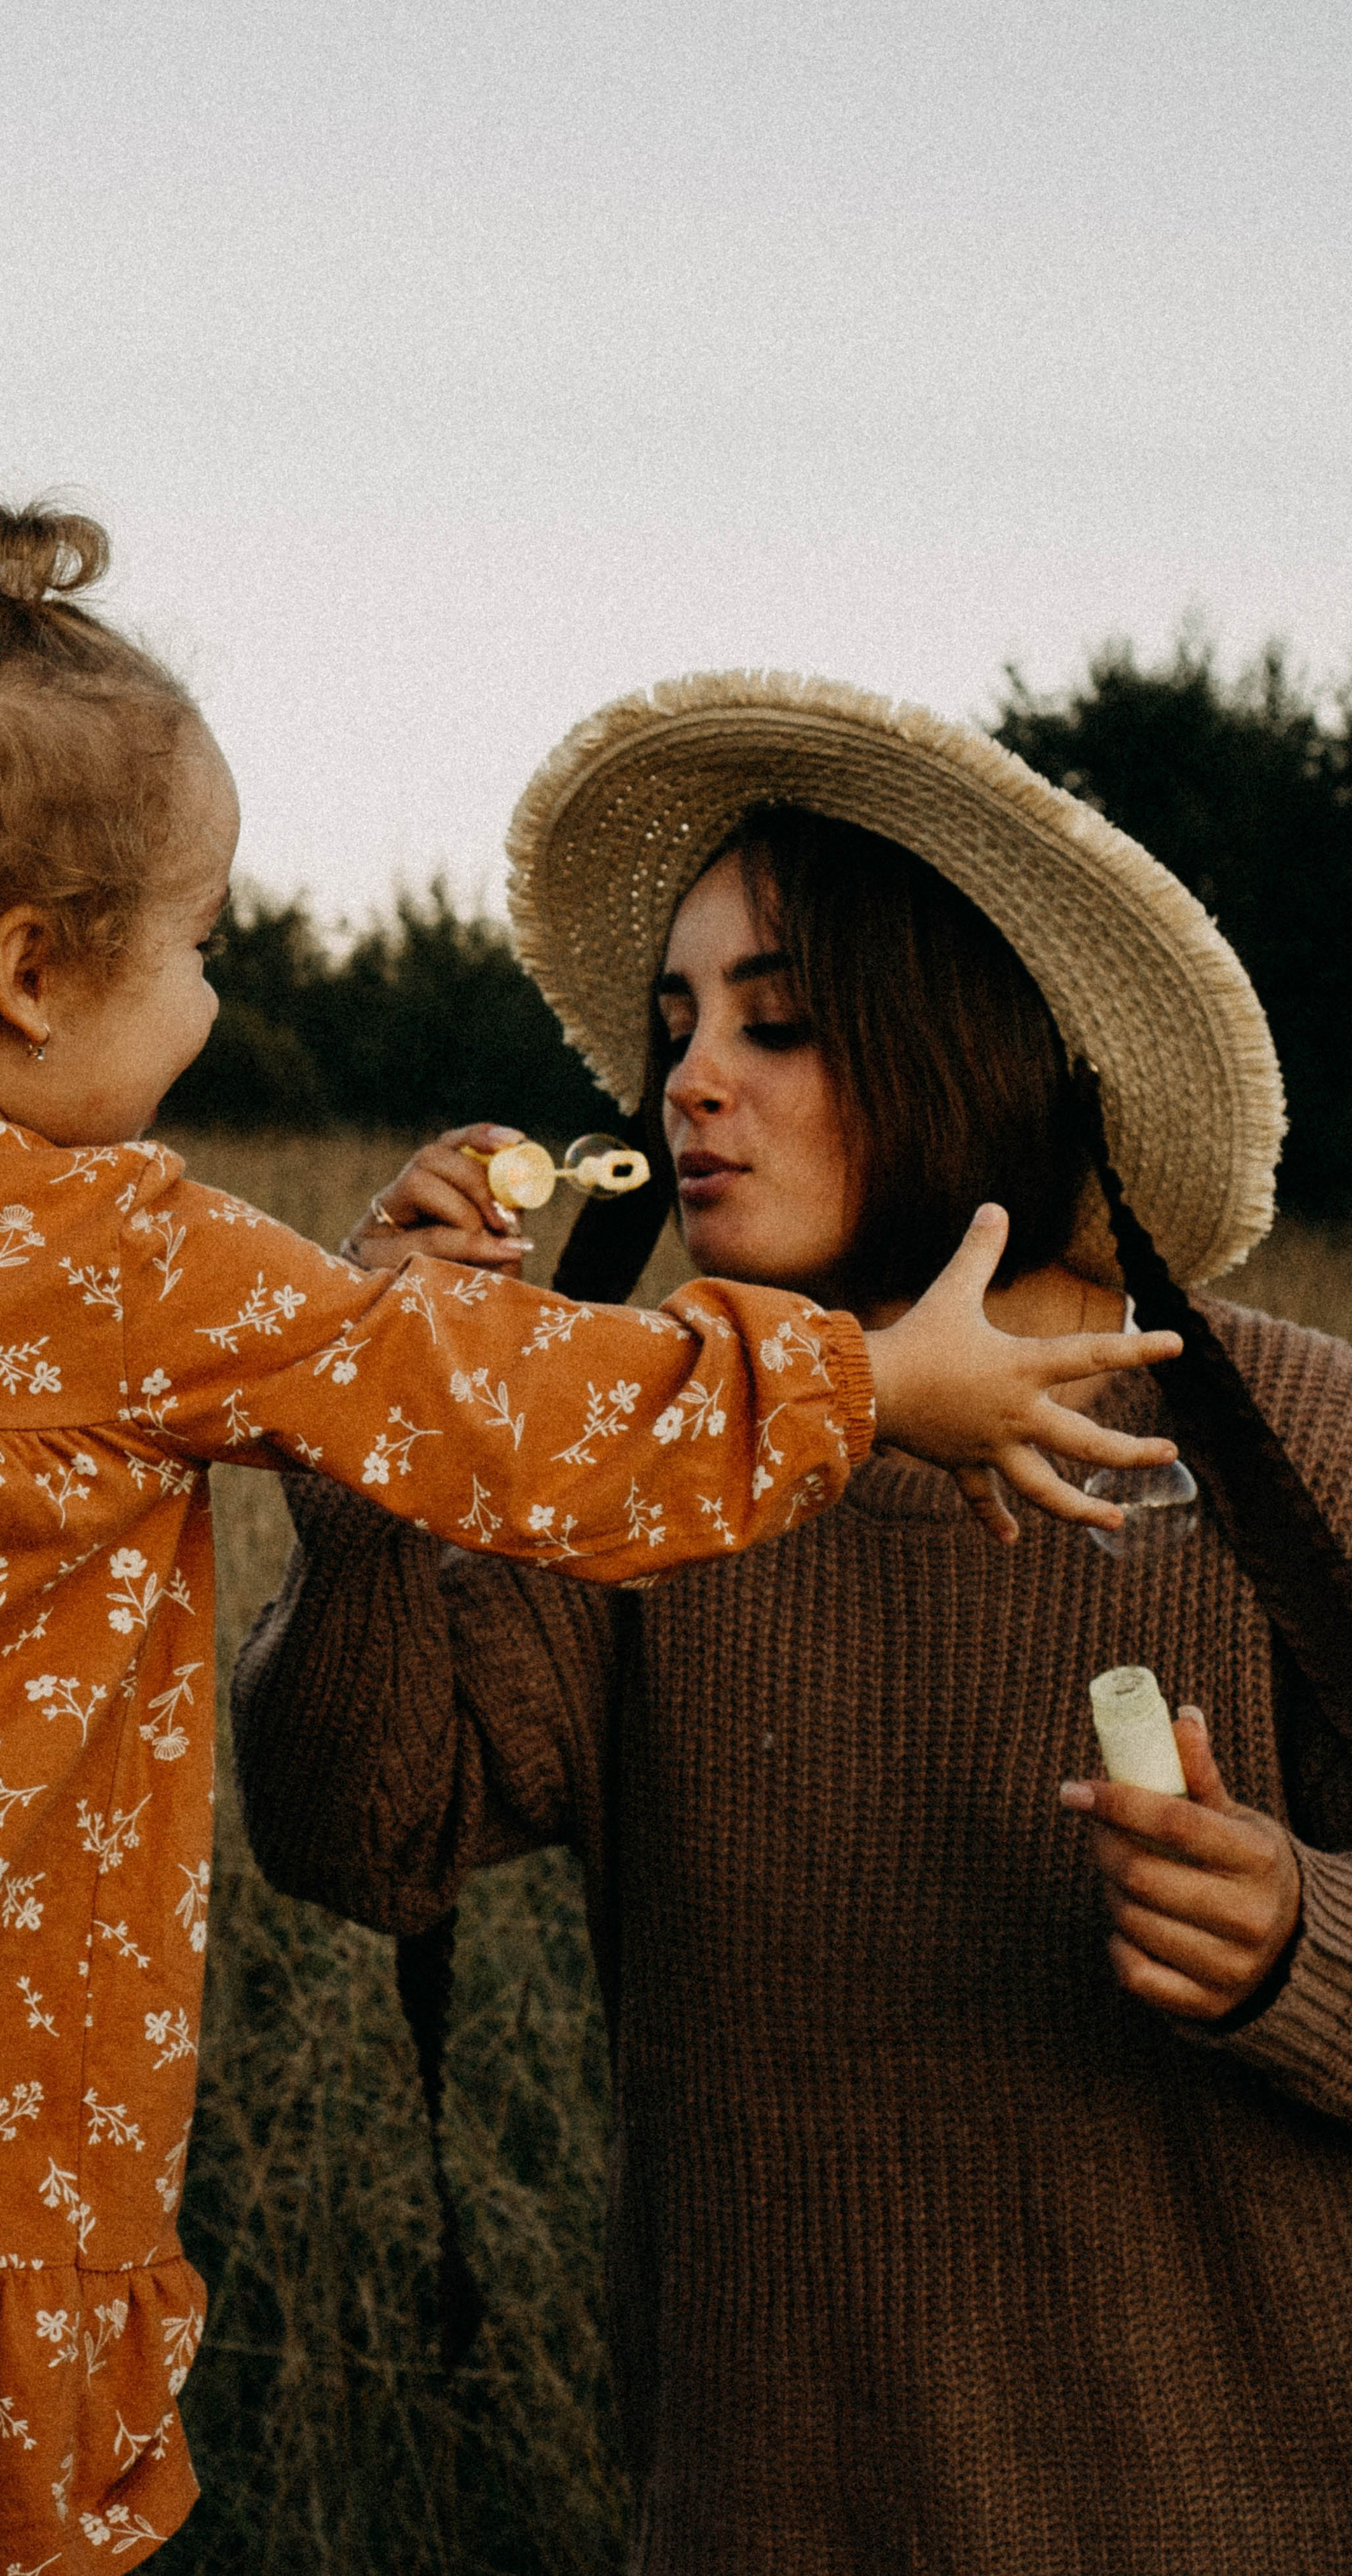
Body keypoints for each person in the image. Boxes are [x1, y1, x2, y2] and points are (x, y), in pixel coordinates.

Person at [0, 531, 1172, 2571]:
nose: (216, 993)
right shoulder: (115, 1254)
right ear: (23, 973)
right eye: (200, 947)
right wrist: (873, 1390)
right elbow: (483, 1400)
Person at [233, 672, 1352, 2574]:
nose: (686, 1083)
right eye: (676, 1026)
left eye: (781, 1022)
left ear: (967, 1048)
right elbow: (362, 1841)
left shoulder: (1303, 1440)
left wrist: (1296, 1945)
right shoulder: (656, 1447)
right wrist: (368, 1466)